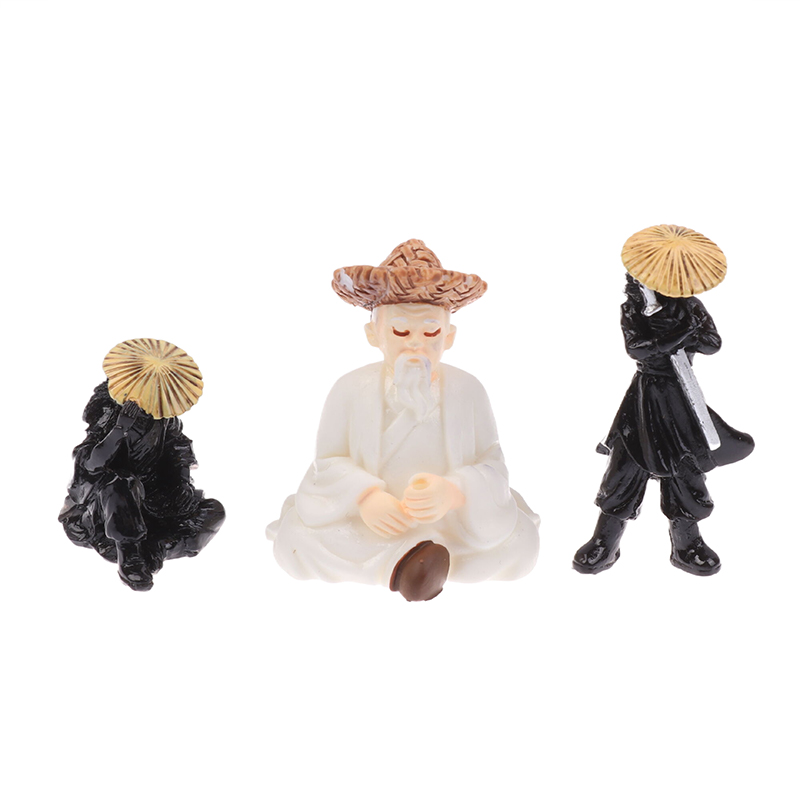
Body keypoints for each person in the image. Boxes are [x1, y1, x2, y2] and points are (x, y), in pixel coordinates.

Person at [267, 239, 540, 601]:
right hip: (372, 524)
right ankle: (410, 561)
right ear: (373, 334)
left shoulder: (468, 390)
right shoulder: (350, 388)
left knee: (522, 546)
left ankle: (404, 562)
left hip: (452, 523)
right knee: (295, 541)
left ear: (449, 336)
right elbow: (327, 463)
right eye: (400, 332)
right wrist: (365, 497)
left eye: (430, 332)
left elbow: (492, 463)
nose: (415, 344)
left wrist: (454, 491)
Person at [573, 226, 754, 576]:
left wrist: (685, 330)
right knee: (624, 469)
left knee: (684, 468)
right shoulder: (634, 309)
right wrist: (675, 336)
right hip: (644, 396)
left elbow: (713, 343)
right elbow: (637, 349)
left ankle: (687, 545)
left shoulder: (690, 307)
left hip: (680, 397)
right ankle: (604, 542)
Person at [59, 381, 225, 591]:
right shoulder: (110, 410)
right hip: (109, 501)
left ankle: (155, 549)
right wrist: (120, 428)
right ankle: (129, 553)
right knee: (121, 483)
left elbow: (178, 447)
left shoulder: (163, 416)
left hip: (154, 497)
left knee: (214, 511)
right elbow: (91, 463)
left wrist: (182, 482)